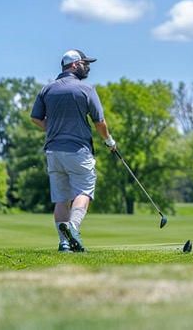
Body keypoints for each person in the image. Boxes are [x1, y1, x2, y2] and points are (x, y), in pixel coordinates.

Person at [31, 49, 116, 252]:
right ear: (74, 65)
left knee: (61, 198)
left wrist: (51, 129)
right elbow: (99, 121)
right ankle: (73, 227)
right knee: (84, 190)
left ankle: (64, 243)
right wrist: (109, 141)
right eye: (85, 63)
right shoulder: (86, 89)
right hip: (78, 150)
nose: (88, 66)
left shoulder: (47, 89)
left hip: (53, 151)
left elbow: (35, 117)